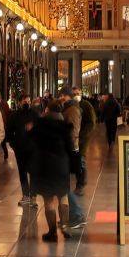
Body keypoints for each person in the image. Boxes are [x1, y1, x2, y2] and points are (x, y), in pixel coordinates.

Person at [30, 101, 74, 241]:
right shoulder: (65, 127)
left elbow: (31, 142)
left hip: (44, 165)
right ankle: (65, 226)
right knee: (63, 195)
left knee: (48, 199)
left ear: (47, 110)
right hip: (61, 165)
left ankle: (52, 233)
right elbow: (71, 148)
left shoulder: (39, 126)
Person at [58, 87, 85, 230]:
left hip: (68, 149)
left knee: (63, 185)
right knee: (63, 184)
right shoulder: (67, 108)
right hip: (66, 148)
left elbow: (74, 130)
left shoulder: (72, 109)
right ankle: (68, 216)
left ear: (67, 96)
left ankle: (76, 214)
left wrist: (68, 144)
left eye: (63, 95)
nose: (61, 98)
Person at [6, 94, 37, 207]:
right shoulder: (14, 115)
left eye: (28, 101)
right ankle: (26, 195)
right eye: (24, 101)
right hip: (20, 149)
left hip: (33, 148)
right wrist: (14, 145)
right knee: (22, 172)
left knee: (33, 172)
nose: (27, 103)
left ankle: (33, 196)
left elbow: (40, 128)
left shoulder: (34, 114)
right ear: (20, 102)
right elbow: (8, 131)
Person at [71, 85, 96, 193]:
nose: (76, 96)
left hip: (82, 139)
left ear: (81, 94)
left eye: (78, 94)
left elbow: (91, 122)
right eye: (74, 94)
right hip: (72, 138)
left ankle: (81, 184)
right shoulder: (70, 106)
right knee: (75, 161)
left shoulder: (86, 105)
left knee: (81, 160)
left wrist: (83, 134)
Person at [0, 91, 11, 160]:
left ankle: (6, 153)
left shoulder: (4, 103)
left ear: (0, 97)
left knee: (2, 141)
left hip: (2, 124)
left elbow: (7, 114)